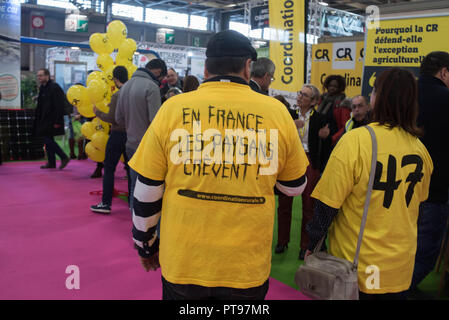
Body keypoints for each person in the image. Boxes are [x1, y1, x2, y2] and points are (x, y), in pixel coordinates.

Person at [128, 30, 309, 300]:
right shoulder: (277, 112)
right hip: (246, 266)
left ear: (205, 67)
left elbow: (147, 191)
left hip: (184, 262)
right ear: (248, 67)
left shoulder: (173, 110)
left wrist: (146, 246)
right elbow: (294, 187)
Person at [305, 68, 433, 300]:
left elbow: (327, 205)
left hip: (358, 267)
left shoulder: (355, 141)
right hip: (400, 267)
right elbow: (419, 208)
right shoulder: (421, 150)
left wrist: (313, 242)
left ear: (377, 97)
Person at [274, 85, 332, 259]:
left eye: (304, 95)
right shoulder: (287, 115)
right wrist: (291, 125)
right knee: (284, 203)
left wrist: (326, 136)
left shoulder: (321, 119)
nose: (299, 97)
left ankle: (305, 245)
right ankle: (281, 242)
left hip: (309, 161)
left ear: (314, 101)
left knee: (308, 206)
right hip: (289, 160)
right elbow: (275, 133)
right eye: (299, 93)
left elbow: (327, 142)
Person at [409, 51, 449, 299]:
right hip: (434, 189)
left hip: (394, 187)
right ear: (444, 72)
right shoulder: (446, 98)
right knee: (426, 248)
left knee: (401, 245)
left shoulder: (403, 96)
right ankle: (402, 290)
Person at [115, 58, 167, 212]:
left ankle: (134, 214)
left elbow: (118, 118)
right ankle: (144, 223)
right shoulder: (151, 87)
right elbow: (155, 121)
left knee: (134, 182)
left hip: (130, 143)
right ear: (158, 71)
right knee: (150, 187)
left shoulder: (125, 87)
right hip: (148, 146)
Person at [91, 66, 129, 214]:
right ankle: (132, 202)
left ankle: (105, 203)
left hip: (118, 135)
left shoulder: (117, 95)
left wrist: (97, 112)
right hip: (131, 135)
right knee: (131, 169)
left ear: (115, 79)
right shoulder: (132, 93)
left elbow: (112, 118)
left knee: (109, 168)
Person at [32, 68, 70, 170]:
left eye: (41, 75)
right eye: (38, 76)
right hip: (44, 119)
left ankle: (64, 157)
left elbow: (59, 105)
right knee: (47, 140)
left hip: (53, 119)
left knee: (48, 140)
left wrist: (57, 121)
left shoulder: (54, 87)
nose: (39, 77)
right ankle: (51, 162)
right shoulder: (43, 88)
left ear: (47, 76)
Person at [316, 75, 350, 147]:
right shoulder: (322, 100)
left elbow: (345, 127)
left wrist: (332, 139)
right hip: (319, 140)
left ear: (340, 88)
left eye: (335, 86)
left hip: (333, 142)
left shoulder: (343, 103)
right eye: (330, 85)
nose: (332, 88)